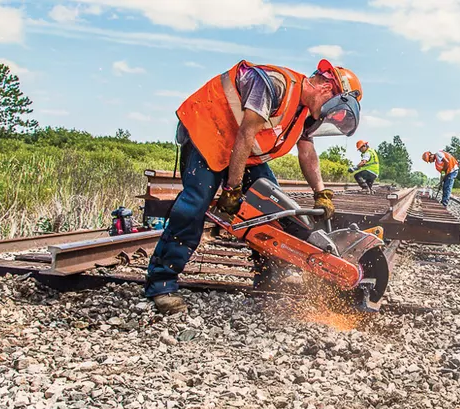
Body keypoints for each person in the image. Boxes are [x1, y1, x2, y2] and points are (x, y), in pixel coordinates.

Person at [145, 58, 363, 314]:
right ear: (326, 88)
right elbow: (246, 133)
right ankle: (161, 283)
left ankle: (269, 277)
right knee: (194, 205)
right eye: (336, 110)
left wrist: (320, 192)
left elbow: (307, 151)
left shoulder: (305, 111)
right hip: (207, 134)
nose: (331, 116)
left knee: (273, 206)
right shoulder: (274, 85)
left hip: (241, 151)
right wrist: (232, 189)